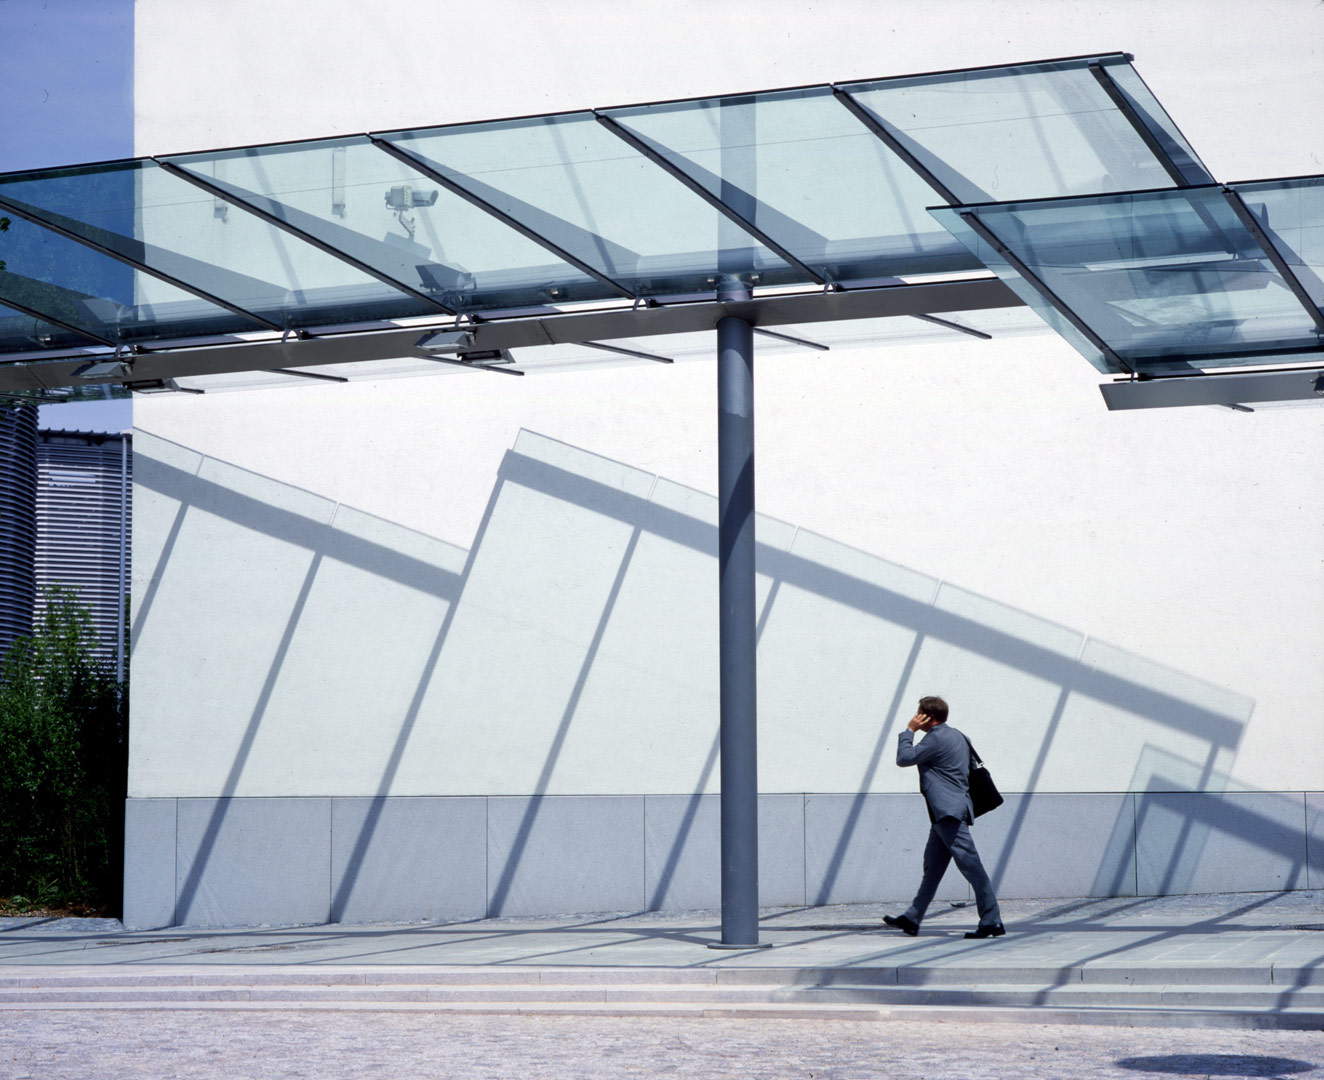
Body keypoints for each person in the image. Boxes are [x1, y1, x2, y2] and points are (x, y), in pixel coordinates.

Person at [883, 695, 1004, 939]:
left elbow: (904, 758)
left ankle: (992, 920)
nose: (916, 717)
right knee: (933, 868)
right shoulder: (959, 736)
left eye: (919, 713)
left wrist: (909, 730)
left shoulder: (935, 738)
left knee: (972, 867)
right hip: (947, 813)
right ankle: (912, 918)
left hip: (948, 813)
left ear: (928, 717)